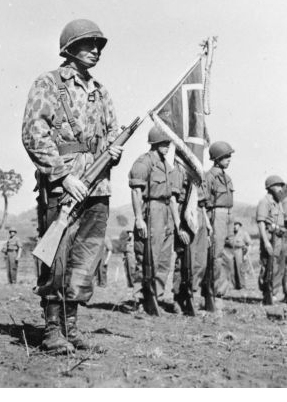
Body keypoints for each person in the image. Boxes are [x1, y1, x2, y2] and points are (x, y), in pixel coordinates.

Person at [22, 19, 122, 353]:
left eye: (98, 45)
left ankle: (71, 326)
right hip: (64, 185)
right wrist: (64, 177)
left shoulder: (101, 90)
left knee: (86, 257)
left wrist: (114, 150)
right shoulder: (49, 84)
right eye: (88, 44)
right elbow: (34, 133)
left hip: (98, 186)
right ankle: (52, 329)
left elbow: (111, 131)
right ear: (69, 48)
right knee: (57, 255)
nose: (95, 50)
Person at [129, 126, 188, 312]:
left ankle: (156, 297)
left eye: (168, 143)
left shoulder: (167, 166)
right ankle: (140, 299)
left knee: (163, 259)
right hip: (151, 209)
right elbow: (136, 191)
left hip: (167, 212)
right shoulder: (144, 162)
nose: (168, 147)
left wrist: (178, 223)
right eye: (164, 143)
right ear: (154, 143)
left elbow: (172, 197)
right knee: (146, 257)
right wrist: (139, 218)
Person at [171, 169, 212, 313]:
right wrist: (179, 227)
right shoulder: (180, 172)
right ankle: (178, 297)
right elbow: (173, 200)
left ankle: (192, 294)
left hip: (199, 214)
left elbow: (202, 203)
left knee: (200, 261)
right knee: (184, 260)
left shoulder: (201, 173)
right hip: (185, 214)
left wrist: (207, 223)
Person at [204, 141, 235, 299]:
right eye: (226, 156)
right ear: (217, 158)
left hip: (228, 214)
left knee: (228, 253)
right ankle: (213, 291)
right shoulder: (210, 177)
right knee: (216, 254)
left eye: (229, 156)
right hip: (216, 214)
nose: (229, 159)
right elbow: (205, 202)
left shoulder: (227, 177)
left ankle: (222, 290)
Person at [256, 176, 286, 304]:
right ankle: (266, 293)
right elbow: (261, 223)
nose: (280, 188)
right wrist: (266, 242)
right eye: (277, 185)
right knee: (267, 265)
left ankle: (273, 292)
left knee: (278, 266)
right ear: (270, 187)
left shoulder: (278, 203)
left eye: (281, 186)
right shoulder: (264, 202)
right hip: (269, 237)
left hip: (279, 237)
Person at [230, 219, 251, 290]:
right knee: (233, 270)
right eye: (234, 225)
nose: (235, 226)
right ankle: (236, 285)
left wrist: (245, 254)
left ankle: (243, 285)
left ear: (239, 226)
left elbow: (249, 244)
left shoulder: (244, 233)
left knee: (240, 270)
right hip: (232, 252)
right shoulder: (231, 234)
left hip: (240, 252)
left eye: (236, 225)